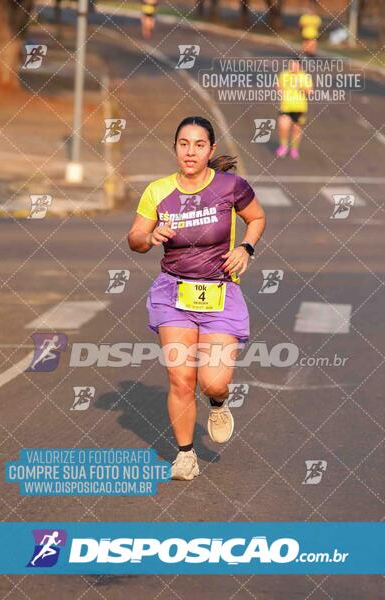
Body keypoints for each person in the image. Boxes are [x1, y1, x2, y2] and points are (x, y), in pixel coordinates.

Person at [128, 116, 266, 480]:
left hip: (220, 293)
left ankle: (218, 403)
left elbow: (257, 217)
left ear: (211, 150)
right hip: (173, 293)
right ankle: (185, 454)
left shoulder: (231, 186)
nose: (190, 151)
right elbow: (135, 241)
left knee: (213, 381)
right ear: (175, 148)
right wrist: (151, 235)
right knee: (180, 378)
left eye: (199, 144)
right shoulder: (157, 191)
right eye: (183, 144)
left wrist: (246, 248)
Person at [276, 59, 313, 159]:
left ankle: (294, 148)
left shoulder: (305, 77)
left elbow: (310, 92)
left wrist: (302, 87)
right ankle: (283, 146)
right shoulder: (284, 74)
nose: (293, 67)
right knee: (283, 127)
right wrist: (280, 89)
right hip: (286, 106)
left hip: (299, 108)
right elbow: (278, 87)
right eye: (291, 65)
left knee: (296, 130)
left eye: (295, 65)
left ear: (299, 66)